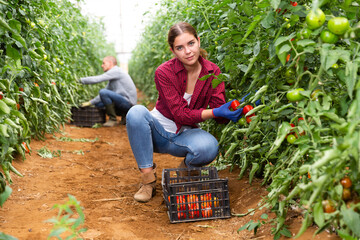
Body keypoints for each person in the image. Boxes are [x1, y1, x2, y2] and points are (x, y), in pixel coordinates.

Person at [126, 22, 244, 203]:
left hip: (185, 134)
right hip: (156, 132)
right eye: (180, 48)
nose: (187, 51)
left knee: (209, 147)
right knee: (136, 113)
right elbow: (180, 114)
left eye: (191, 43)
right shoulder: (164, 72)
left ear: (198, 41)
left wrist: (236, 109)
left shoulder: (213, 71)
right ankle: (148, 182)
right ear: (173, 51)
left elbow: (218, 110)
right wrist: (215, 112)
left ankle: (181, 174)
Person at [79, 56, 137, 127]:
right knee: (98, 104)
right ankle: (124, 116)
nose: (102, 65)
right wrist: (90, 102)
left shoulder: (116, 71)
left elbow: (98, 79)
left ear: (110, 63)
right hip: (124, 102)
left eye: (103, 63)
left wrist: (79, 80)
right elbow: (104, 94)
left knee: (103, 92)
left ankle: (113, 119)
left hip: (128, 103)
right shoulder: (113, 77)